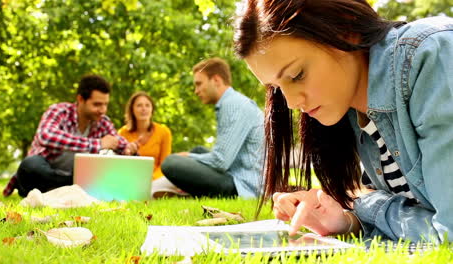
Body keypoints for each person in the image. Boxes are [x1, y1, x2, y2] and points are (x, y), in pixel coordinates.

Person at [233, 0, 453, 243]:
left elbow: (448, 232)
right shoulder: (352, 112)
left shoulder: (433, 55)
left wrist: (367, 204)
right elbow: (422, 215)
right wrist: (346, 220)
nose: (292, 102)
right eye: (276, 88)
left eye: (297, 75)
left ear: (345, 31)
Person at [2, 74, 137, 197]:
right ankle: (67, 187)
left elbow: (117, 141)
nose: (102, 110)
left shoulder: (103, 122)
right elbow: (46, 136)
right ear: (80, 99)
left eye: (105, 104)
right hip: (45, 172)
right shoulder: (59, 111)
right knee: (31, 165)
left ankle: (64, 188)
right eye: (97, 104)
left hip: (74, 176)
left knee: (98, 173)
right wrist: (96, 144)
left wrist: (128, 149)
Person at [160, 57, 264, 198]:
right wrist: (193, 156)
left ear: (216, 80)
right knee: (198, 150)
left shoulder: (233, 105)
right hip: (238, 173)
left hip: (246, 186)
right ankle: (181, 191)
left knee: (170, 163)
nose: (196, 91)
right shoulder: (232, 101)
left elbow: (221, 161)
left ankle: (176, 190)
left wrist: (188, 156)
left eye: (199, 84)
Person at [118, 91, 172, 180]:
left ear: (152, 109)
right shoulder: (122, 133)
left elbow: (164, 165)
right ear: (132, 109)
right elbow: (119, 164)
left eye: (147, 105)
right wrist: (127, 152)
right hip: (130, 178)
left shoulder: (164, 132)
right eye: (139, 105)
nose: (144, 109)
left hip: (156, 179)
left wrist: (152, 178)